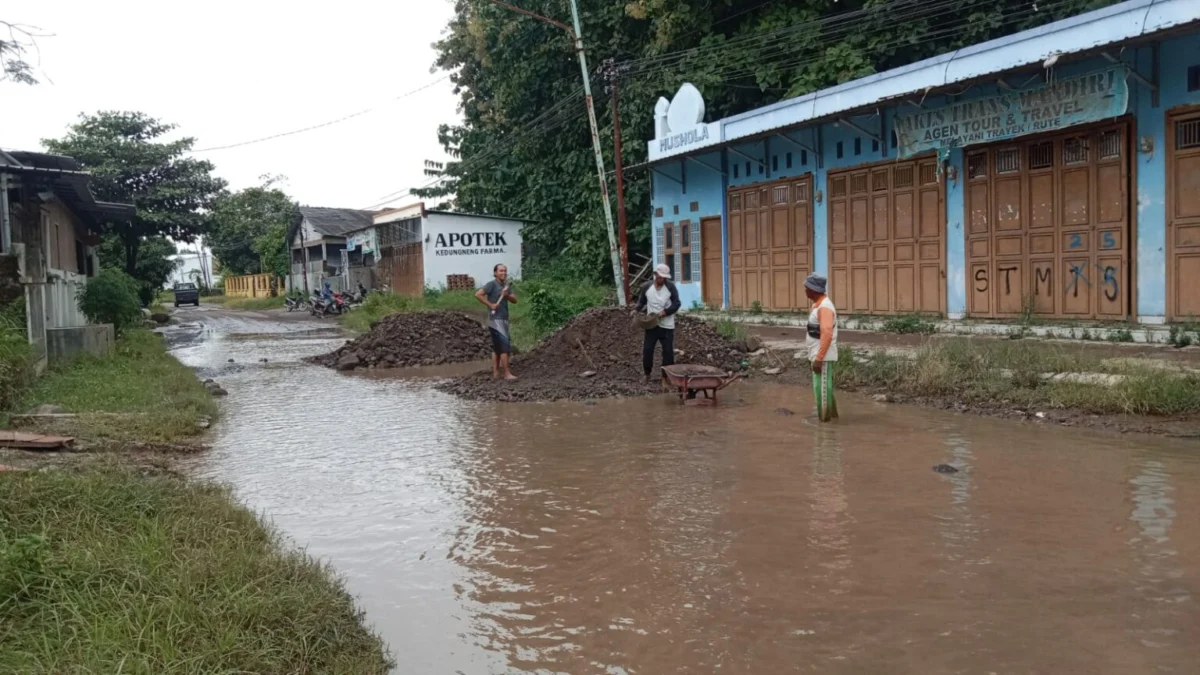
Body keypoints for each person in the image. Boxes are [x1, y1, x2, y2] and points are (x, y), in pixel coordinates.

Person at [636, 263, 681, 383]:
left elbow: (677, 303)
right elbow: (641, 302)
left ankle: (666, 377)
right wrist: (635, 310)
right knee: (647, 349)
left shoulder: (670, 287)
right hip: (652, 324)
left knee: (667, 351)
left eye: (664, 278)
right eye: (661, 277)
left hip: (667, 325)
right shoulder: (647, 287)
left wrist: (665, 312)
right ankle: (647, 374)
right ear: (655, 275)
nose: (663, 279)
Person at [803, 273, 839, 422]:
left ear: (813, 290)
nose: (805, 291)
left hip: (822, 356)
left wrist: (819, 358)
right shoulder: (819, 305)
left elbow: (827, 334)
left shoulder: (825, 308)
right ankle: (833, 417)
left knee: (821, 390)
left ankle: (825, 424)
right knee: (825, 389)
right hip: (818, 352)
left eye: (806, 288)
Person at [476, 264, 518, 380]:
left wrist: (507, 295)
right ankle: (507, 374)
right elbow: (478, 294)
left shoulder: (506, 286)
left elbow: (515, 300)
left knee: (497, 347)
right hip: (496, 319)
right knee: (504, 347)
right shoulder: (491, 285)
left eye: (505, 271)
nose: (503, 273)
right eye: (501, 271)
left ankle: (495, 373)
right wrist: (490, 305)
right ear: (495, 273)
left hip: (502, 318)